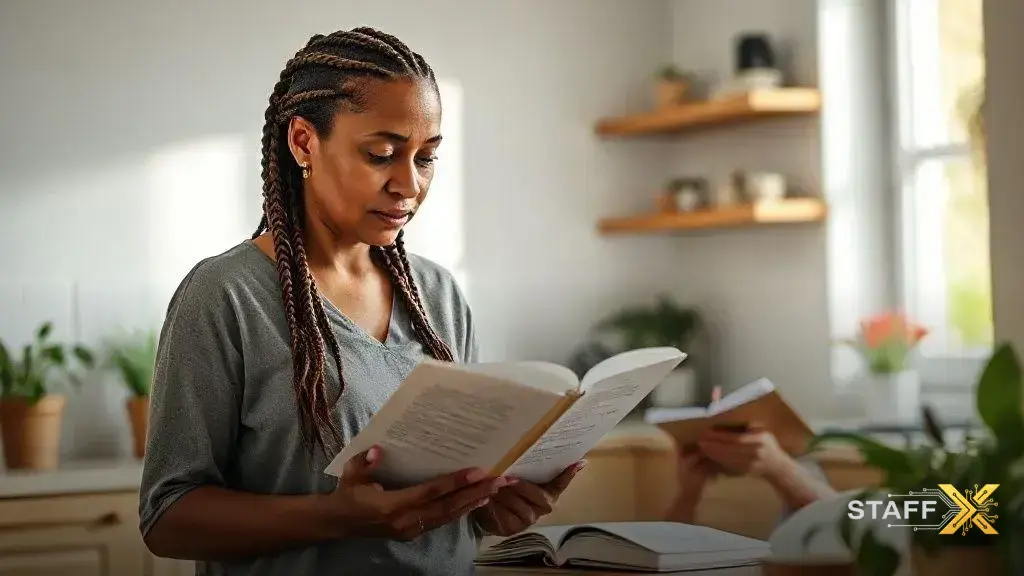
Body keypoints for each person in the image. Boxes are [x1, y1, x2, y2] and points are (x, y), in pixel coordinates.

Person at [138, 27, 583, 576]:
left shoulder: (437, 295)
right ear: (303, 142)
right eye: (381, 154)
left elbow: (443, 515)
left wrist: (490, 508)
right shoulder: (226, 296)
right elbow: (167, 517)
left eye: (425, 159)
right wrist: (338, 517)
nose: (409, 185)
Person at [665, 388, 835, 526]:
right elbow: (662, 550)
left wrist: (779, 468)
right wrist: (688, 493)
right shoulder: (702, 474)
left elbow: (851, 522)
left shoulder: (805, 469)